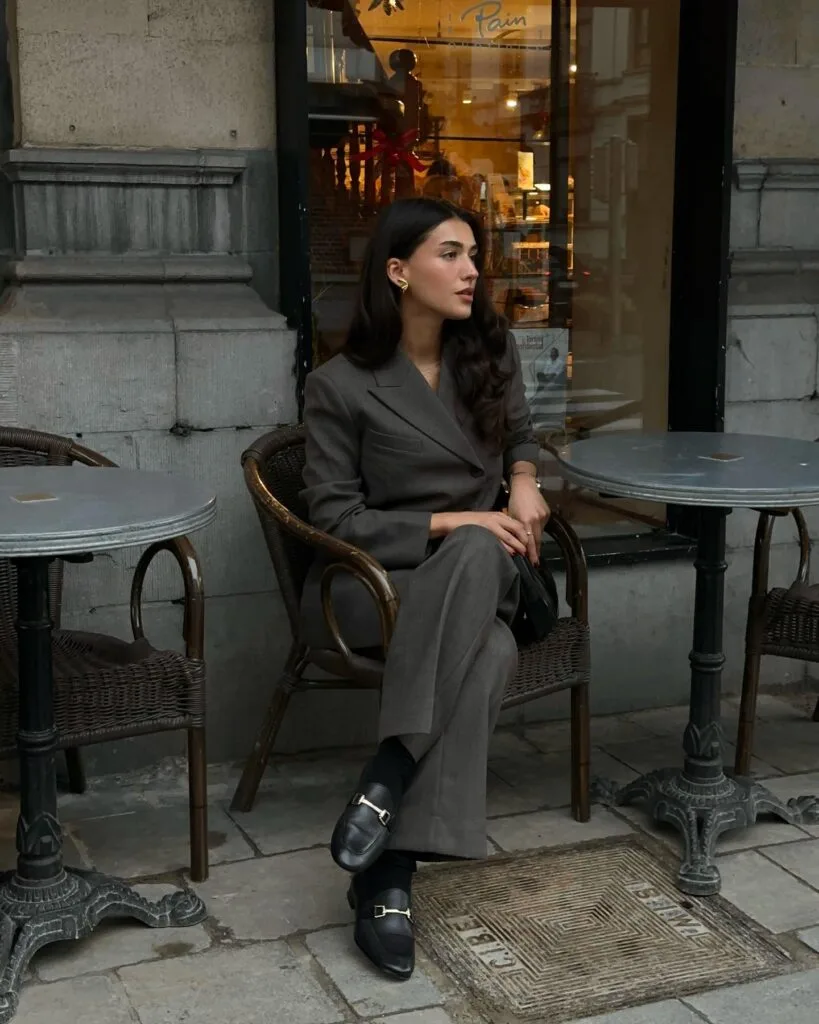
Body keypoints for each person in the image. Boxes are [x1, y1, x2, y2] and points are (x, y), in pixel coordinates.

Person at [299, 197, 549, 979]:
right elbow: (334, 514)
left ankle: (386, 783)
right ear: (399, 271)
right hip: (381, 580)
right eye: (450, 253)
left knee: (482, 560)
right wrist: (456, 523)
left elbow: (522, 431)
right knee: (489, 646)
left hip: (487, 570)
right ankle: (388, 871)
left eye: (473, 253)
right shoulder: (340, 385)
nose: (472, 269)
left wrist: (523, 481)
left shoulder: (489, 350)